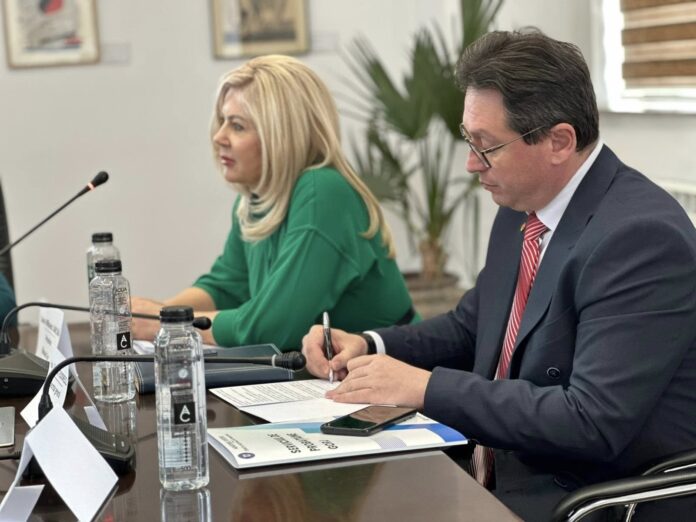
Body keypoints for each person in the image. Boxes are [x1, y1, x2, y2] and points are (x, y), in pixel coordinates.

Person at [302, 29, 696, 521]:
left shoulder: (640, 238)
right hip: (495, 471)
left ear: (559, 141)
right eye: (470, 140)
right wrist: (370, 345)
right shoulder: (522, 209)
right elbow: (472, 326)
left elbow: (589, 420)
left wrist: (424, 388)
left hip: (585, 498)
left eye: (486, 146)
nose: (472, 164)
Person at [132, 55, 415, 351]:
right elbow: (227, 286)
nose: (219, 137)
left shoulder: (323, 192)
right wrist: (150, 315)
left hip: (390, 367)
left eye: (237, 126)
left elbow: (272, 328)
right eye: (223, 121)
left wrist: (164, 323)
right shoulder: (255, 199)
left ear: (282, 134)